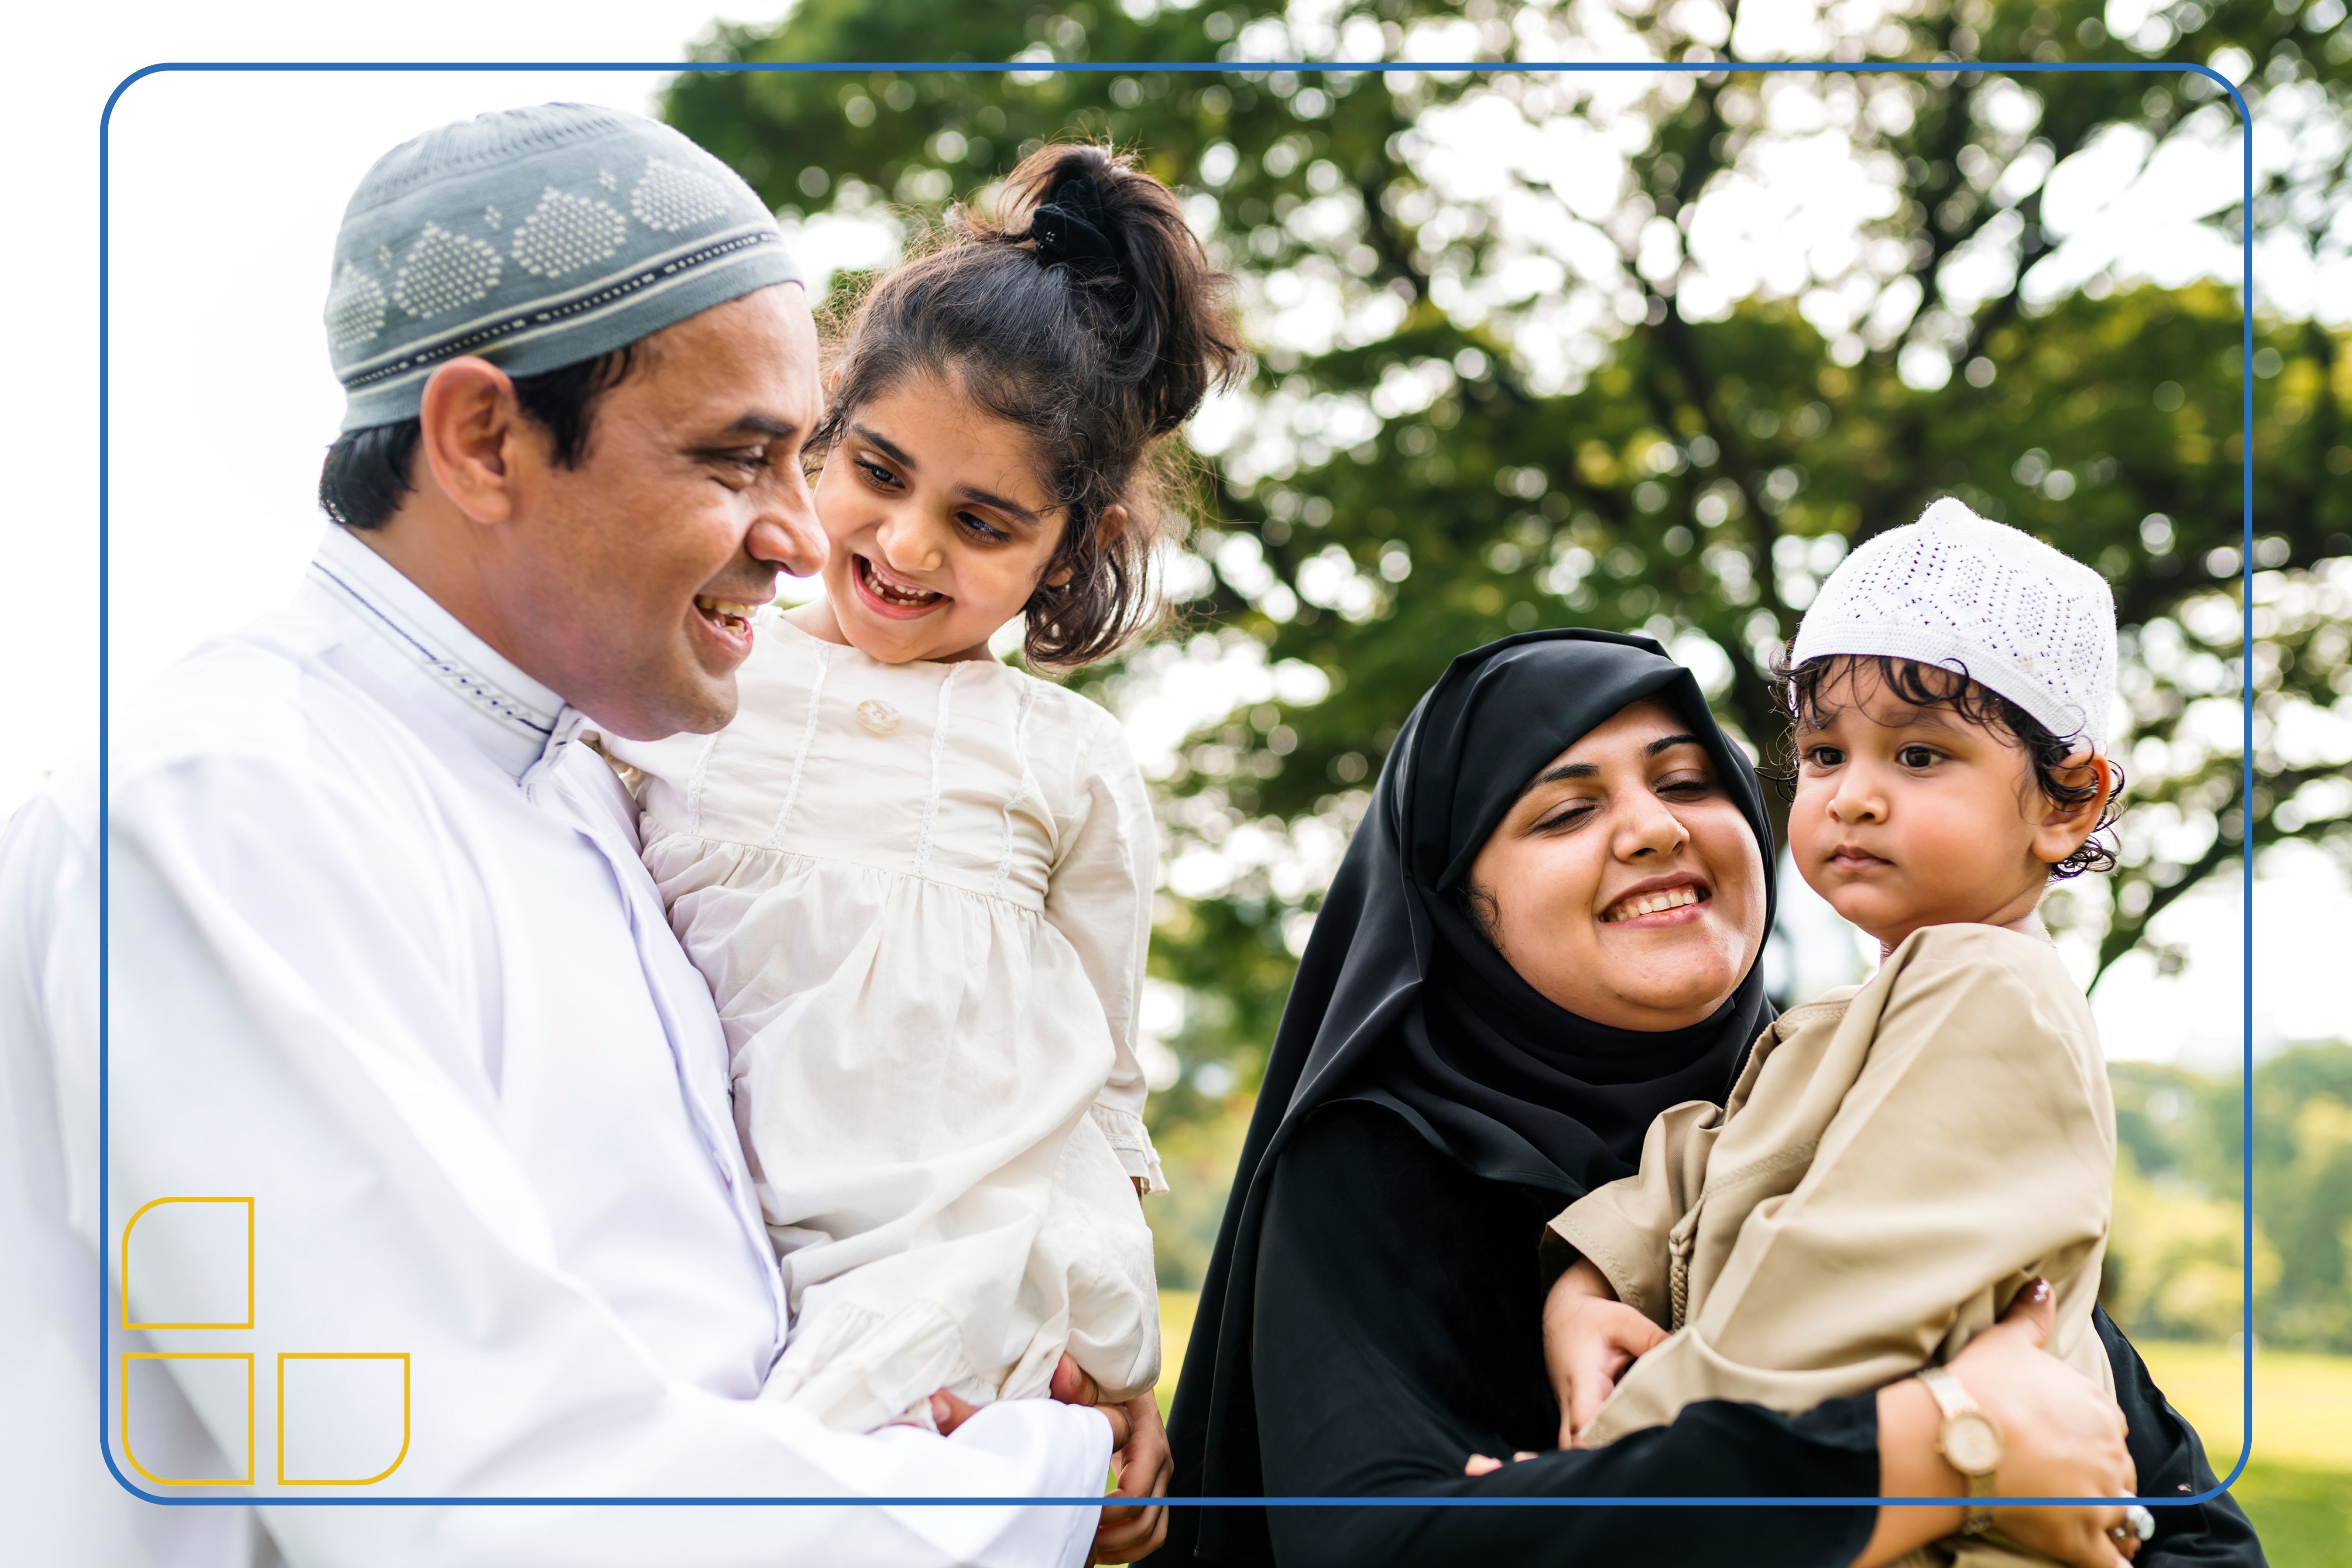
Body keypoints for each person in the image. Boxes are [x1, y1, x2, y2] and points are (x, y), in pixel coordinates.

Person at [0, 103, 1129, 1568]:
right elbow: (485, 1497)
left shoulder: (598, 790)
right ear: (482, 437)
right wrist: (1042, 1473)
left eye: (802, 460)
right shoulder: (230, 805)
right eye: (739, 459)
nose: (801, 537)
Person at [1160, 629, 2261, 1568]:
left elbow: (2179, 1522)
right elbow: (1380, 1545)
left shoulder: (1863, 1096)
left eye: (1689, 782)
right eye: (1562, 811)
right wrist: (1934, 1451)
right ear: (1456, 900)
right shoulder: (1380, 1166)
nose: (1653, 828)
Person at [605, 143, 1240, 1483]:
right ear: (820, 435)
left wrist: (1122, 1393)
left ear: (1068, 549)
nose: (906, 545)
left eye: (983, 520)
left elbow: (1107, 1090)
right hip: (710, 1242)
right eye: (879, 473)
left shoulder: (1066, 759)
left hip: (964, 1256)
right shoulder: (698, 671)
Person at [1543, 502, 2191, 1568]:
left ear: (2067, 804)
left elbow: (1822, 1294)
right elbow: (1703, 1169)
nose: (1854, 798)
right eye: (1826, 753)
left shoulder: (1990, 992)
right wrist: (1585, 1287)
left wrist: (1593, 1483)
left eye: (1921, 755)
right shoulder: (1861, 1011)